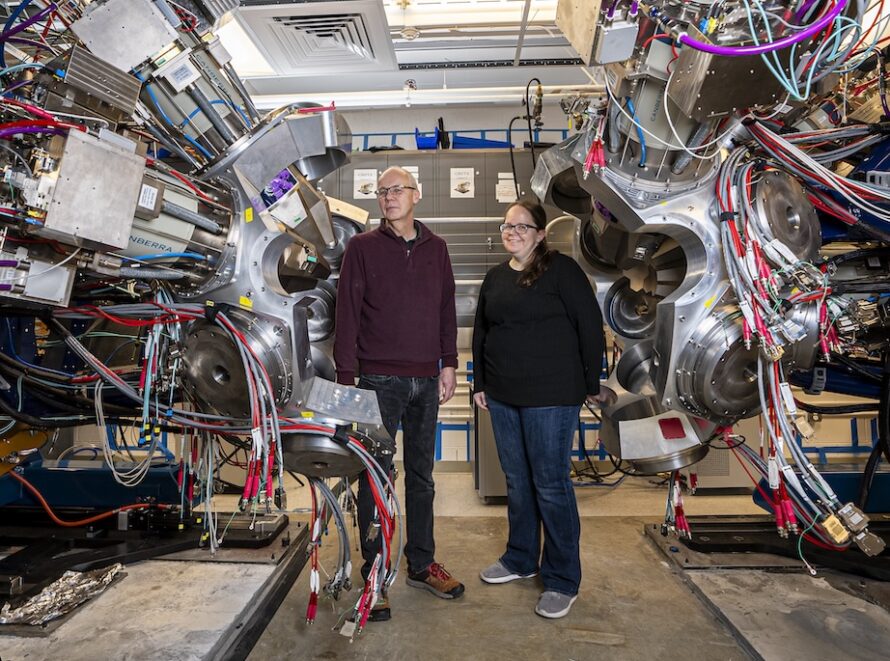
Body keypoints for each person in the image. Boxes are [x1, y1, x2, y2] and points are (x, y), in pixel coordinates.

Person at [334, 166, 465, 621]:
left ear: (417, 195)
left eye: (397, 190)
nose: (388, 197)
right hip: (377, 382)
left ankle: (421, 564)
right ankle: (375, 573)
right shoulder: (361, 248)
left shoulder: (438, 249)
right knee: (375, 478)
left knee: (423, 477)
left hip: (426, 380)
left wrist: (449, 362)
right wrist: (346, 376)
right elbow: (346, 315)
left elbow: (446, 309)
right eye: (381, 192)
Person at [472, 198, 605, 619]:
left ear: (541, 234)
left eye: (522, 227)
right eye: (508, 226)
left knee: (550, 484)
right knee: (517, 481)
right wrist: (481, 384)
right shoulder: (495, 278)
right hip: (504, 395)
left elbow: (589, 326)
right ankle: (520, 558)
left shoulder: (562, 271)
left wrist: (589, 383)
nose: (512, 233)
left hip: (552, 396)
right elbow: (482, 331)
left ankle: (563, 578)